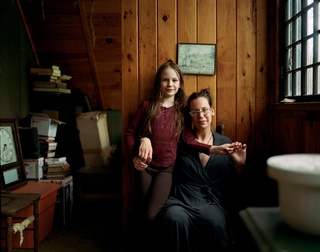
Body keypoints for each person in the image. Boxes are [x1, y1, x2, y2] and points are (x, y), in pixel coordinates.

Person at [125, 61, 236, 224]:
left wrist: (213, 148)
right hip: (144, 166)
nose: (170, 84)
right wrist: (135, 155)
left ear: (179, 83)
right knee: (141, 207)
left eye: (174, 80)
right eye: (165, 80)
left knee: (152, 213)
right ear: (159, 82)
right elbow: (130, 133)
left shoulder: (181, 112)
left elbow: (188, 140)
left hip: (166, 170)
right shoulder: (147, 106)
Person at [156, 89, 247, 252]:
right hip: (181, 198)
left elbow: (233, 186)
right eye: (195, 111)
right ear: (190, 115)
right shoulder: (181, 141)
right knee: (174, 218)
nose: (201, 115)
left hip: (210, 201)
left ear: (212, 110)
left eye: (204, 110)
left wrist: (240, 165)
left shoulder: (226, 143)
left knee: (215, 222)